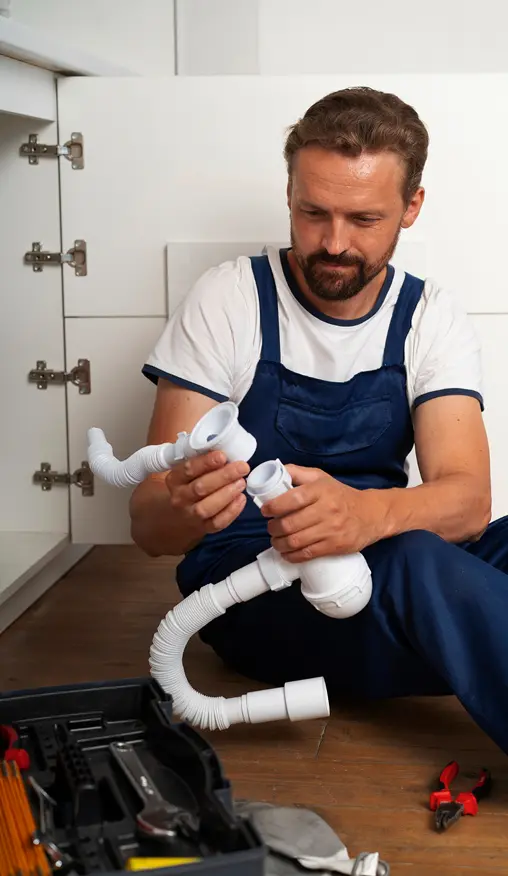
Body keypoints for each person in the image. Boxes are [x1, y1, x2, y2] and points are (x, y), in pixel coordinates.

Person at [130, 86, 508, 754]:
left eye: (363, 219)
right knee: (422, 565)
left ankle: (462, 638)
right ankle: (465, 637)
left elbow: (469, 502)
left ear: (412, 207)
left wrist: (363, 517)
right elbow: (148, 523)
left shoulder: (430, 316)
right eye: (313, 213)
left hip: (382, 558)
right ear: (289, 194)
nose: (334, 243)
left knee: (448, 554)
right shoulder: (230, 299)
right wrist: (187, 505)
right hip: (255, 592)